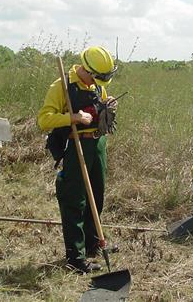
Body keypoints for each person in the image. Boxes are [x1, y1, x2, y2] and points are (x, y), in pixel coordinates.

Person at [37, 46, 118, 273]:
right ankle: (76, 257)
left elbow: (100, 108)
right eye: (99, 77)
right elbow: (44, 120)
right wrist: (73, 117)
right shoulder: (62, 86)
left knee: (97, 195)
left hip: (97, 144)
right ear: (89, 70)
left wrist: (107, 106)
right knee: (75, 200)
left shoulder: (97, 86)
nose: (101, 82)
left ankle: (93, 244)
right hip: (75, 146)